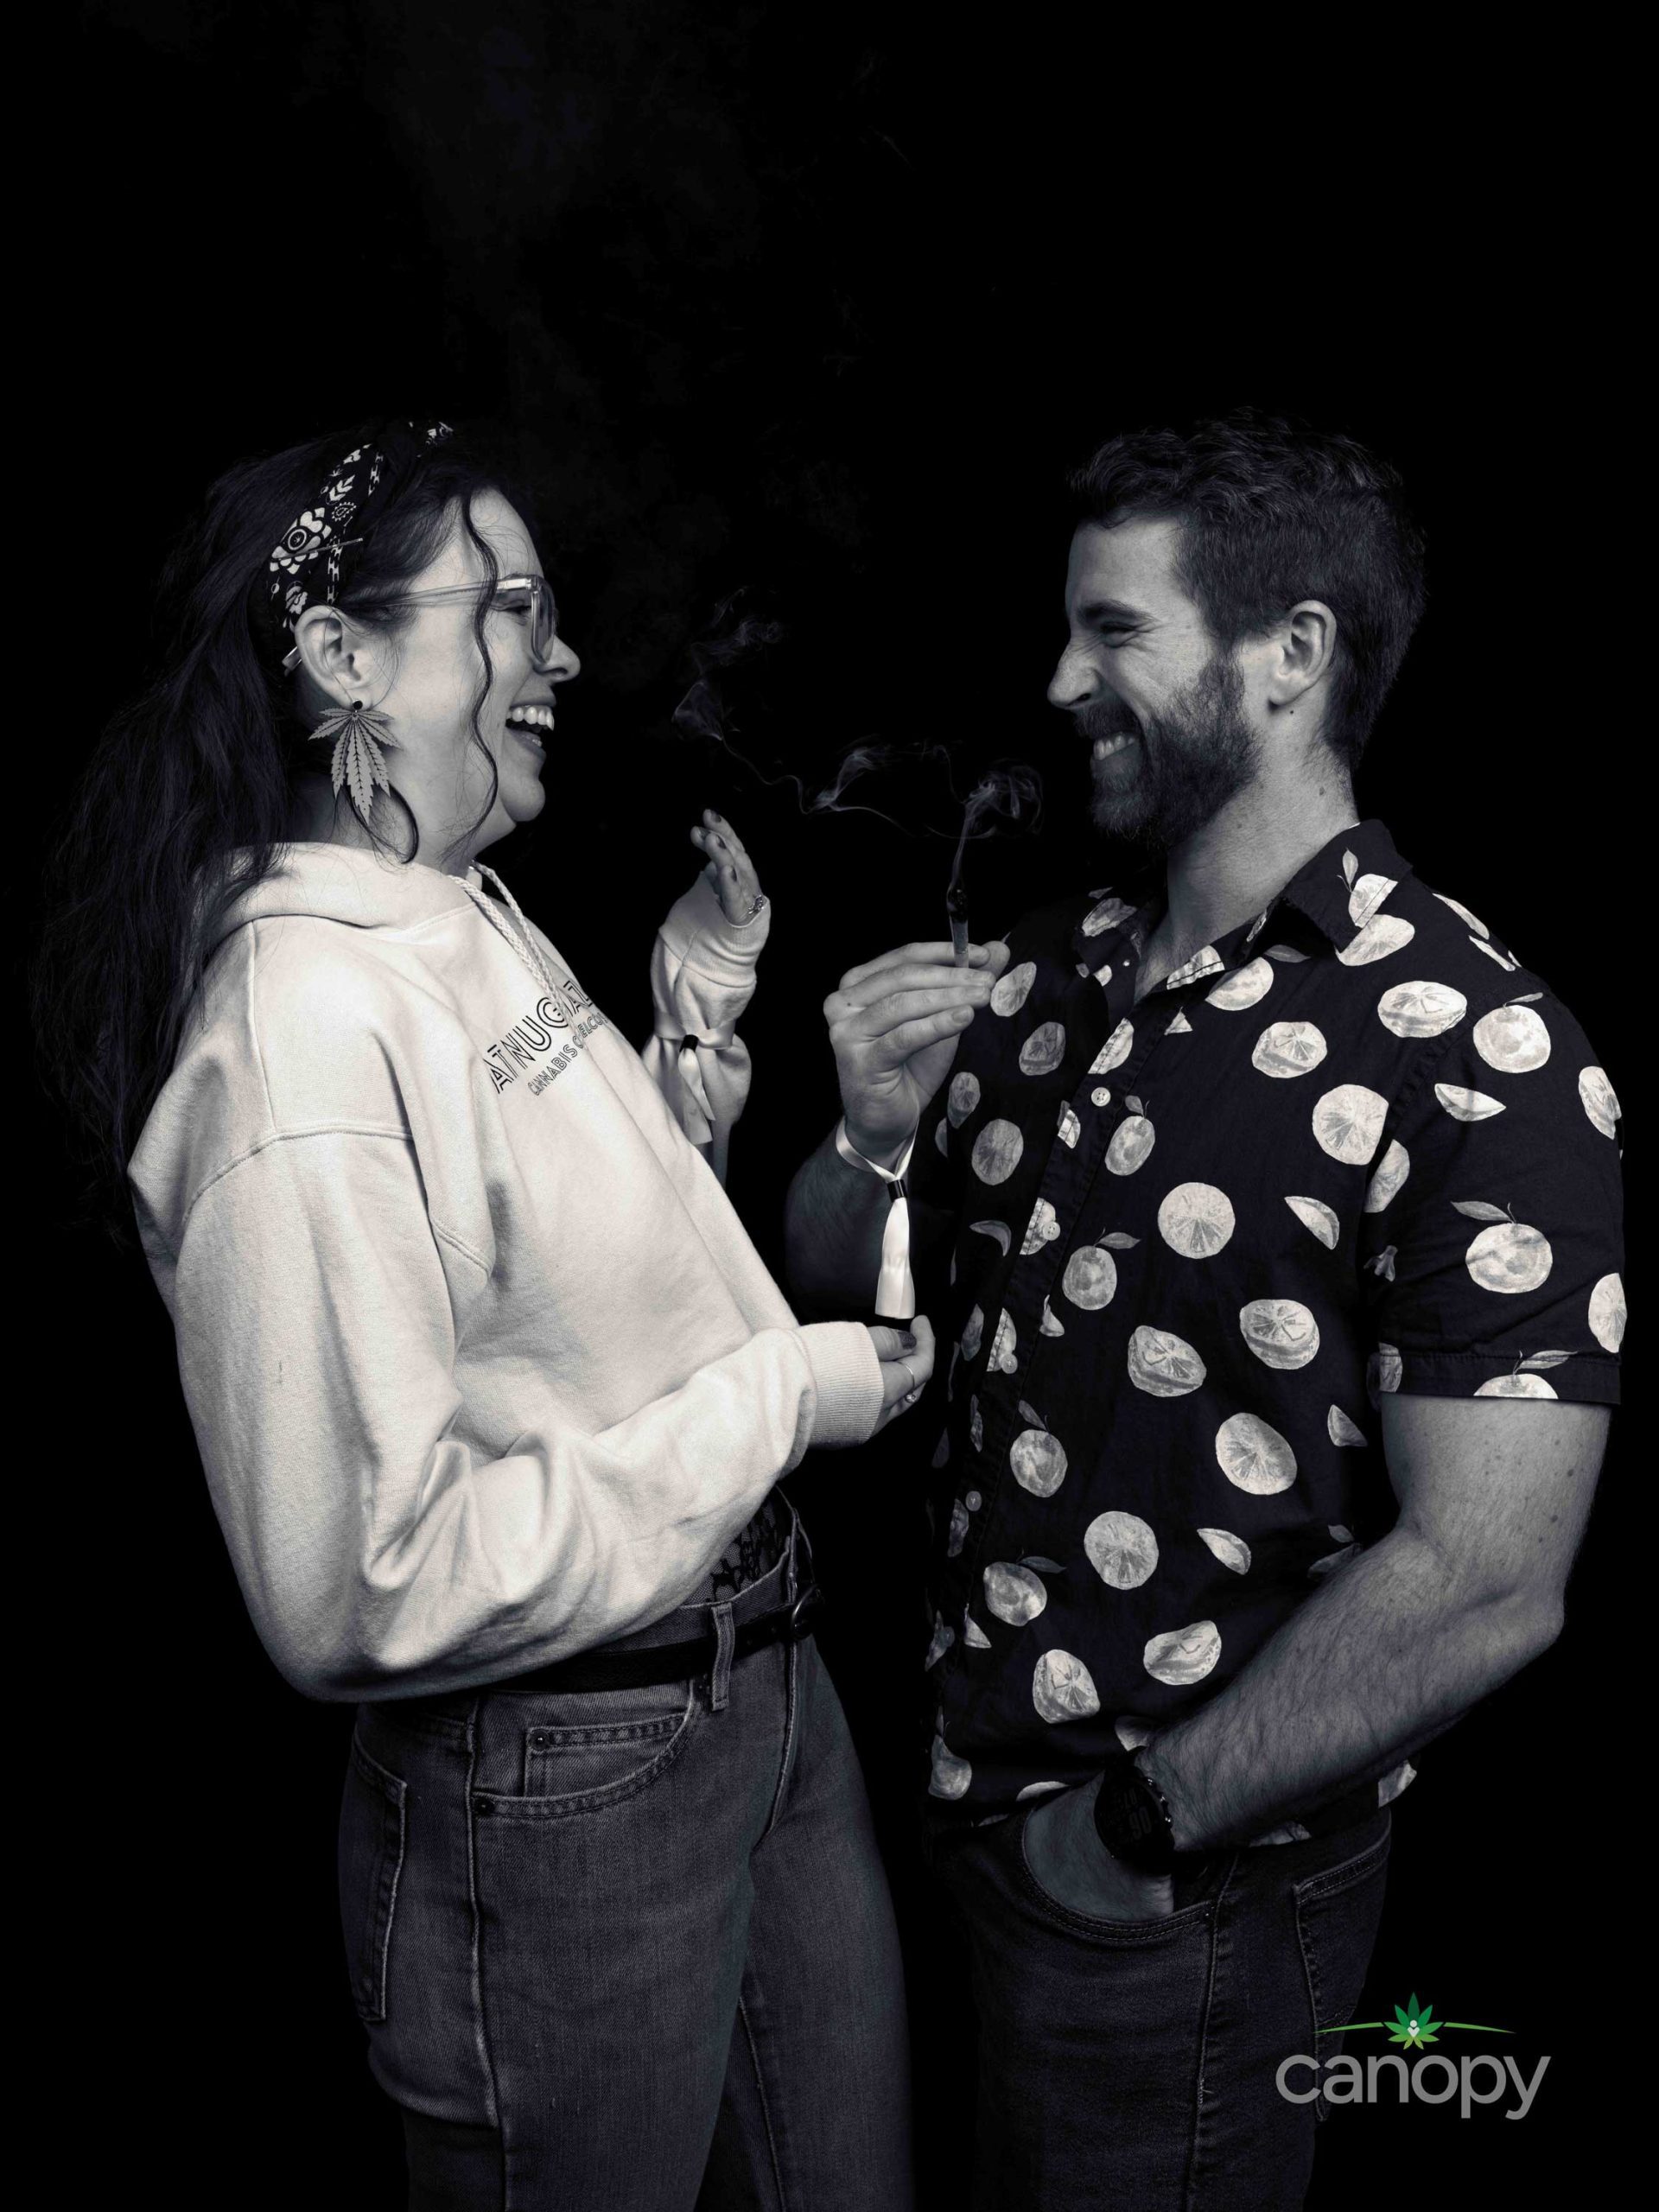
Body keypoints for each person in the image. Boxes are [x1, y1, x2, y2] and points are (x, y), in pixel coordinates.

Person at [36, 417, 933, 2211]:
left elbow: (560, 1274)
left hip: (758, 1683)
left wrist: (691, 1016)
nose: (563, 653)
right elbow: (362, 1582)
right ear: (342, 659)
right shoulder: (294, 1035)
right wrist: (788, 1395)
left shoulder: (446, 903)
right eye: (506, 608)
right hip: (569, 1779)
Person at [785, 410, 1623, 2209]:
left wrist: (1135, 1830)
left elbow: (1490, 1576)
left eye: (1116, 630)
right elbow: (847, 1284)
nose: (1058, 680)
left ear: (1289, 654)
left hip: (1182, 1896)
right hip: (949, 1835)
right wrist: (865, 1139)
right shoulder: (1055, 969)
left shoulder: (1478, 1050)